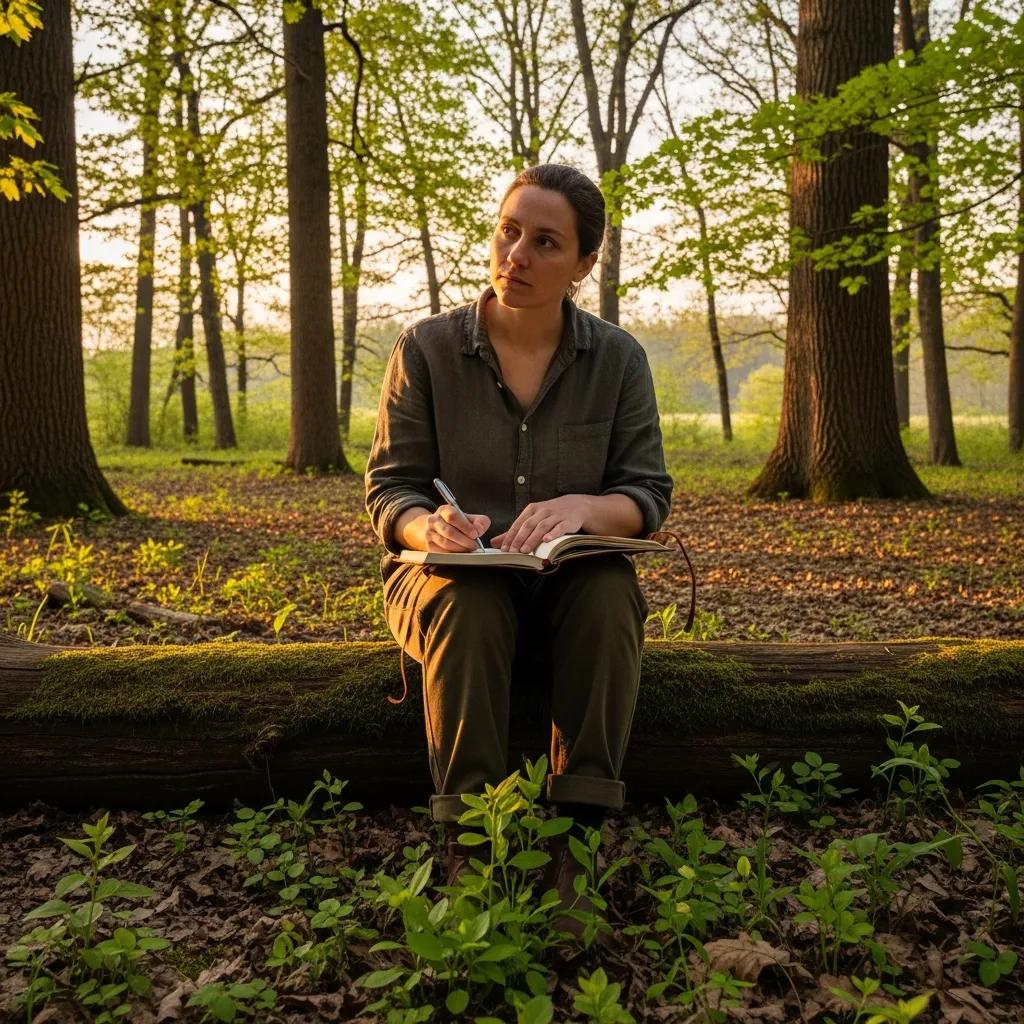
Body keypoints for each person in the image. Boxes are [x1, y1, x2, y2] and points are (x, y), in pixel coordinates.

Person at [364, 164, 672, 922]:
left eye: (545, 242)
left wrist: (583, 509)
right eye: (508, 231)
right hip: (446, 583)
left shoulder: (618, 360)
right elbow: (390, 488)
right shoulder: (426, 350)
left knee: (608, 596)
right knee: (469, 597)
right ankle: (471, 842)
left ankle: (578, 838)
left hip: (569, 586)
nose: (517, 256)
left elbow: (648, 496)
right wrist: (426, 526)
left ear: (584, 264)